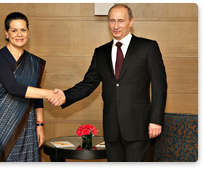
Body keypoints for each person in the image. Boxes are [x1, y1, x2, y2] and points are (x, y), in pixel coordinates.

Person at [49, 4, 167, 162]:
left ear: (131, 22)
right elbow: (88, 83)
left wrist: (156, 120)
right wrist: (65, 96)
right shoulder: (100, 52)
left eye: (121, 21)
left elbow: (160, 86)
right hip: (111, 130)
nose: (116, 26)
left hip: (139, 127)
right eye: (112, 21)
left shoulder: (148, 47)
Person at [0, 12, 64, 162]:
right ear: (6, 33)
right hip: (1, 124)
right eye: (14, 30)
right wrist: (50, 93)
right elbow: (13, 88)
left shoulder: (33, 62)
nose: (19, 34)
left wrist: (40, 125)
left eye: (23, 30)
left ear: (28, 32)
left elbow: (37, 97)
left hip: (27, 123)